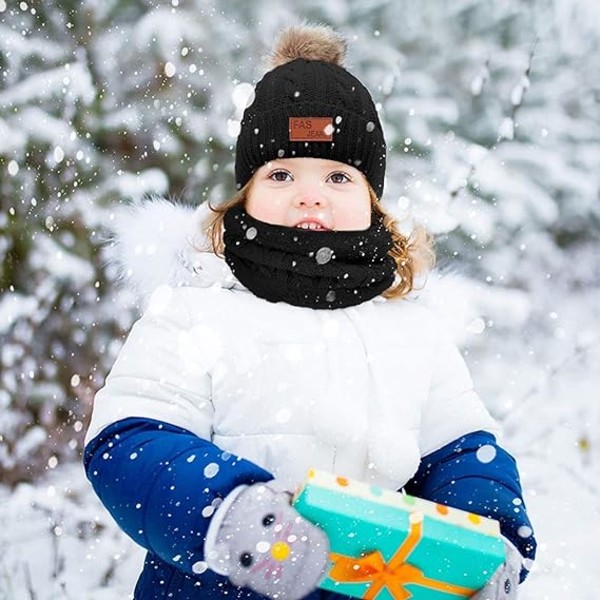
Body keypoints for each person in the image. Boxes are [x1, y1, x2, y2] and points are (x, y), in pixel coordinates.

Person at [84, 24, 536, 600]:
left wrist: (487, 539)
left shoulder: (412, 330)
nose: (310, 194)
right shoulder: (196, 309)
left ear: (373, 203)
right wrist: (228, 514)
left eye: (338, 176)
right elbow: (130, 440)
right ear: (242, 195)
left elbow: (464, 451)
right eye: (280, 174)